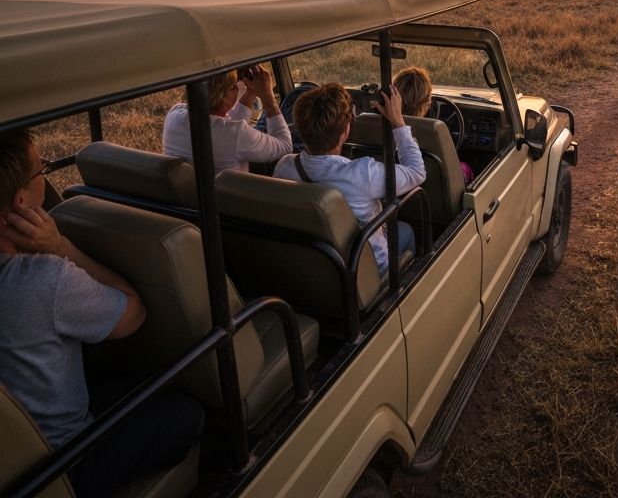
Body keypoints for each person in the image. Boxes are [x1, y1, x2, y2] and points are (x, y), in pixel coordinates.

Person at [0, 128, 204, 498]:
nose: (45, 172)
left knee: (142, 381)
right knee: (186, 413)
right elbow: (133, 314)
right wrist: (60, 245)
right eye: (40, 170)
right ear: (20, 202)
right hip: (61, 466)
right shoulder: (42, 279)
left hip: (11, 459)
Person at [273, 83, 425, 276]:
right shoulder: (363, 174)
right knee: (406, 231)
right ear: (345, 132)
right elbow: (417, 172)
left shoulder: (285, 166)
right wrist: (398, 122)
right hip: (366, 270)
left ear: (300, 129)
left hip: (317, 265)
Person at [163, 64, 292, 172]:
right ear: (222, 97)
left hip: (191, 193)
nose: (237, 89)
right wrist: (269, 100)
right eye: (233, 88)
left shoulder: (174, 114)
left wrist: (250, 93)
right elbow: (285, 146)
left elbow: (224, 126)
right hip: (232, 194)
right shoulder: (236, 135)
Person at [393, 66, 473, 184]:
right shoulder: (435, 131)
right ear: (427, 103)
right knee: (465, 168)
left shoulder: (378, 125)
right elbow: (448, 164)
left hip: (395, 182)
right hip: (429, 184)